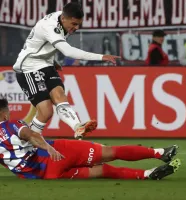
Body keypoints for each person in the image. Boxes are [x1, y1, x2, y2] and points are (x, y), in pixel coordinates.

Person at [0, 98, 181, 180]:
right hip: (59, 153)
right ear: (4, 113)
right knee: (110, 153)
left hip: (47, 175)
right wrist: (48, 148)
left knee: (102, 171)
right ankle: (159, 153)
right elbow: (31, 135)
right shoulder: (11, 125)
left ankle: (146, 175)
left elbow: (6, 161)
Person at [13, 2, 120, 139]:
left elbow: (42, 44)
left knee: (60, 95)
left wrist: (52, 60)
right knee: (46, 112)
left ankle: (78, 127)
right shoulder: (50, 26)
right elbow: (68, 51)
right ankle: (24, 144)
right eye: (74, 24)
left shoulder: (63, 19)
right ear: (64, 18)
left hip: (46, 63)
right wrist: (101, 56)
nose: (76, 28)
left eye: (78, 24)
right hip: (29, 67)